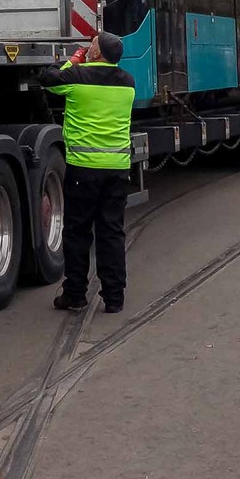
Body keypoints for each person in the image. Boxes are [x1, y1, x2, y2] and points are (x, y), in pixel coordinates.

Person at [43, 32, 136, 314]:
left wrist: (72, 59)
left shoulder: (77, 77)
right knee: (111, 232)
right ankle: (114, 297)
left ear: (95, 54)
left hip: (84, 169)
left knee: (77, 232)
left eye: (91, 45)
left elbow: (48, 79)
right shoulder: (128, 83)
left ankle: (75, 294)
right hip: (117, 169)